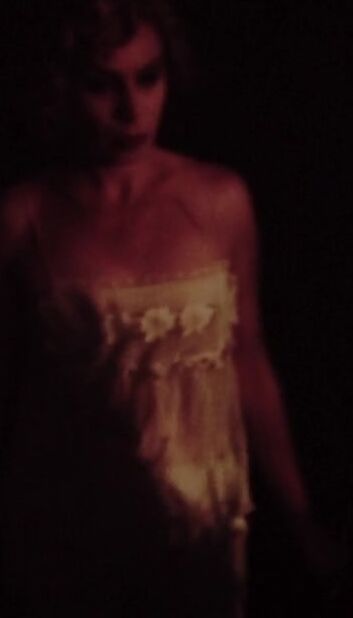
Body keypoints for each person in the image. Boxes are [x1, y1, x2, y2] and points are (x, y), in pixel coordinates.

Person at [0, 1, 333, 615]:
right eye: (102, 85)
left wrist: (303, 518)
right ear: (63, 86)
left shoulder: (218, 200)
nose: (131, 110)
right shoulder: (25, 218)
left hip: (197, 526)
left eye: (148, 78)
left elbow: (248, 361)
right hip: (71, 530)